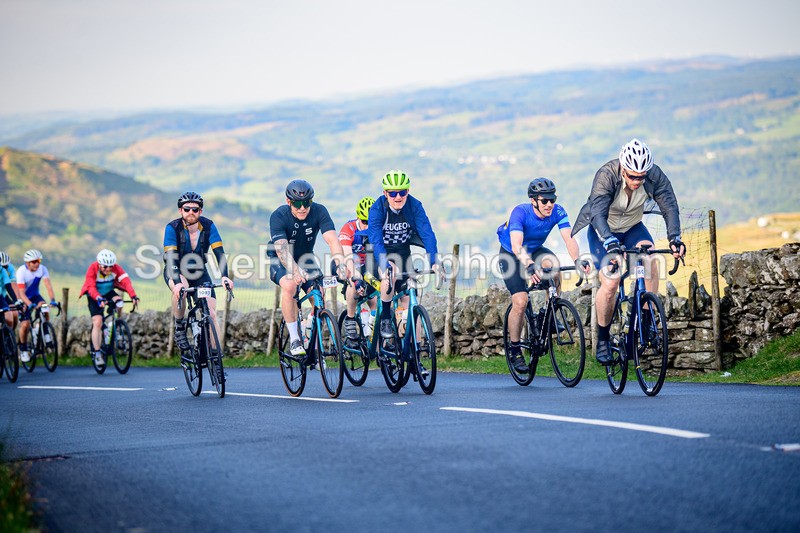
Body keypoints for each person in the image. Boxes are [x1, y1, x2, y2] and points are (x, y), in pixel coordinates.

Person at [571, 139, 686, 365]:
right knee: (611, 281)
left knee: (652, 258)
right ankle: (603, 340)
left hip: (633, 227)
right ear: (623, 168)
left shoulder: (654, 176)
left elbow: (669, 206)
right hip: (602, 229)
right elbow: (597, 213)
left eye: (641, 177)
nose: (637, 181)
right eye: (632, 176)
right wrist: (610, 241)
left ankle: (644, 319)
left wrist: (675, 238)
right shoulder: (606, 175)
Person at [497, 177, 591, 374]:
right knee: (521, 301)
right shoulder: (520, 212)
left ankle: (547, 317)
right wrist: (529, 265)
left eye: (552, 200)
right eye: (545, 201)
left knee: (554, 268)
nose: (550, 204)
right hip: (511, 253)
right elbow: (516, 245)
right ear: (534, 201)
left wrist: (578, 260)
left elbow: (569, 238)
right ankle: (515, 350)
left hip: (535, 249)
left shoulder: (557, 211)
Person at [267, 179, 348, 356]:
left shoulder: (319, 211)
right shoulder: (279, 216)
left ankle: (310, 327)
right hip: (280, 259)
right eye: (297, 204)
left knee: (319, 295)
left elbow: (332, 240)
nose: (302, 208)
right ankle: (295, 338)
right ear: (289, 202)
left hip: (306, 258)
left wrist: (341, 263)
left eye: (307, 203)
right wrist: (295, 271)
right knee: (290, 286)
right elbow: (281, 250)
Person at [367, 170, 442, 350]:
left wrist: (434, 261)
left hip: (402, 253)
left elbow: (427, 234)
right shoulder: (378, 209)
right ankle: (385, 316)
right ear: (386, 193)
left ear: (408, 191)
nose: (398, 197)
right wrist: (385, 266)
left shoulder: (415, 206)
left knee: (410, 300)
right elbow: (376, 242)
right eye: (393, 193)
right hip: (379, 254)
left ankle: (415, 349)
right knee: (390, 273)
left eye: (402, 192)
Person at [163, 192, 233, 362]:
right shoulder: (172, 228)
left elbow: (220, 254)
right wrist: (178, 284)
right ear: (181, 210)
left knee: (211, 312)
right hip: (176, 270)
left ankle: (215, 356)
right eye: (187, 209)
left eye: (195, 209)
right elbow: (171, 258)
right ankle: (180, 326)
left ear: (200, 211)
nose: (191, 212)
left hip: (200, 272)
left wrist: (225, 276)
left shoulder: (209, 226)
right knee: (181, 291)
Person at [80, 249, 140, 367]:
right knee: (97, 322)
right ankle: (97, 353)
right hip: (94, 295)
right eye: (105, 267)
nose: (108, 269)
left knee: (119, 301)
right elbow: (91, 287)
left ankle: (116, 323)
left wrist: (133, 295)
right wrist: (98, 298)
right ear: (99, 265)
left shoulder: (116, 268)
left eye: (110, 267)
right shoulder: (93, 268)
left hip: (108, 292)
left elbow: (126, 282)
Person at [338, 197, 378, 348]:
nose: (368, 226)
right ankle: (350, 319)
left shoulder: (378, 229)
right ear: (358, 218)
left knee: (374, 301)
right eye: (365, 222)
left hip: (368, 265)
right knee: (353, 281)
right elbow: (347, 256)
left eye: (371, 222)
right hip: (347, 263)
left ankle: (374, 340)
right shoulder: (349, 229)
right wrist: (355, 277)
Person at [16, 249, 58, 363]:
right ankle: (23, 349)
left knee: (44, 308)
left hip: (35, 296)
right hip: (24, 298)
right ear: (28, 263)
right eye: (34, 261)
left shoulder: (42, 269)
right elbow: (21, 293)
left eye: (38, 261)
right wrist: (29, 304)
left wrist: (53, 300)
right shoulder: (21, 271)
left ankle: (45, 332)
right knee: (25, 324)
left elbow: (48, 286)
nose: (37, 264)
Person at [0, 251, 22, 330]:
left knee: (14, 313)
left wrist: (17, 300)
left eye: (6, 266)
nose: (5, 268)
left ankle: (10, 336)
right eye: (2, 266)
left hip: (3, 294)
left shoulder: (7, 269)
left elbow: (11, 286)